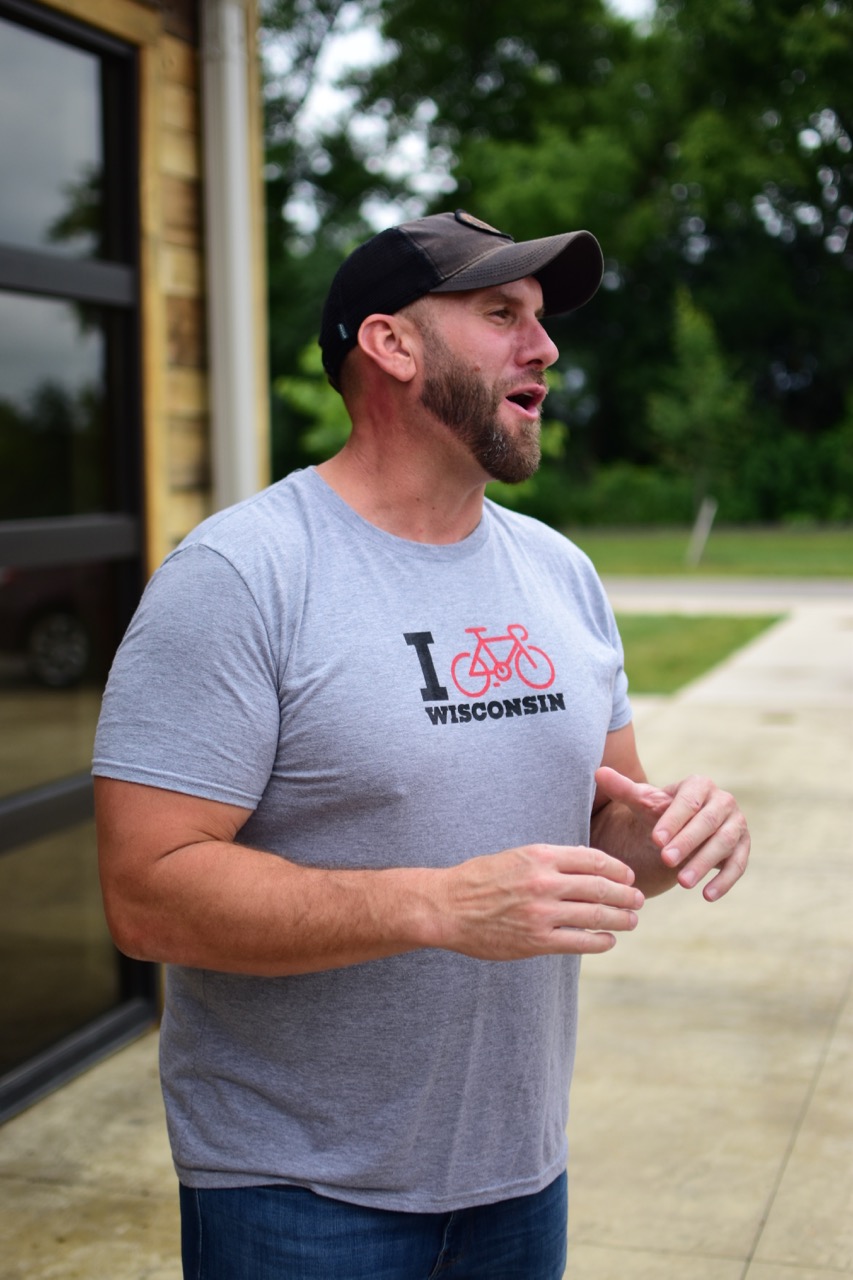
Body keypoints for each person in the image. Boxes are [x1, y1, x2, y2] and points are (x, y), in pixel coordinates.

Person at [93, 209, 750, 1280]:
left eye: (540, 318)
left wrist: (674, 832)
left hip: (518, 1177)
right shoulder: (242, 575)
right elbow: (145, 893)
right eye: (500, 314)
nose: (543, 347)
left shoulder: (560, 572)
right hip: (295, 1192)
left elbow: (604, 834)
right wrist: (435, 906)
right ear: (391, 345)